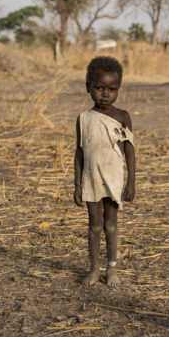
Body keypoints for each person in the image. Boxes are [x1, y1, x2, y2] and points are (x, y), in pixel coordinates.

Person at [73, 56, 136, 287]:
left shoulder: (122, 117)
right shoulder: (83, 119)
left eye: (112, 89)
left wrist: (131, 182)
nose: (105, 94)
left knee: (111, 225)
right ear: (88, 87)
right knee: (94, 226)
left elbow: (130, 151)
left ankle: (112, 269)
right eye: (99, 88)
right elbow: (79, 152)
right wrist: (77, 185)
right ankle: (93, 269)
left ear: (119, 89)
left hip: (114, 178)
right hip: (91, 178)